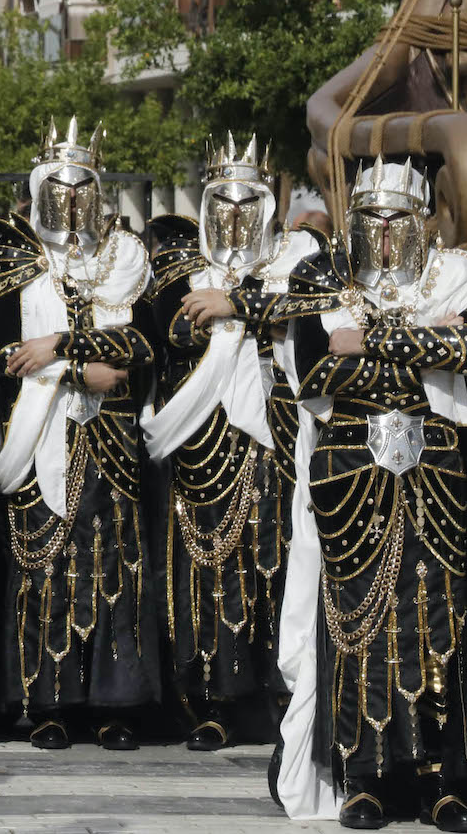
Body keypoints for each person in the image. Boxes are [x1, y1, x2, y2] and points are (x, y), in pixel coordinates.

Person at [273, 159, 467, 832]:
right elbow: (315, 368)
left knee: (440, 620)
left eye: (400, 217)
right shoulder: (321, 276)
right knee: (358, 622)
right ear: (355, 219)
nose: (386, 231)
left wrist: (377, 340)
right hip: (349, 474)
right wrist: (429, 342)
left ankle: (444, 781)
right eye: (373, 217)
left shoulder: (454, 274)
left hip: (437, 472)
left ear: (420, 220)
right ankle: (363, 777)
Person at [0, 119, 159, 751]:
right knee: (43, 565)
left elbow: (142, 343)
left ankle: (115, 704)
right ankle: (48, 702)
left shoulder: (125, 257)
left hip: (109, 439)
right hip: (37, 432)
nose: (73, 201)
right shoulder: (9, 255)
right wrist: (80, 369)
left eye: (84, 188)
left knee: (113, 563)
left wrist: (58, 344)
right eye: (59, 188)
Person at [143, 136, 322, 750]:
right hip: (206, 446)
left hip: (278, 437)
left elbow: (316, 310)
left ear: (270, 206)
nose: (236, 216)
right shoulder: (178, 262)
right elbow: (172, 326)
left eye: (251, 203)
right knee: (211, 572)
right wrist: (255, 314)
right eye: (224, 202)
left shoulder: (300, 257)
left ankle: (284, 695)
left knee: (279, 561)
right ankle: (216, 703)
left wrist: (234, 303)